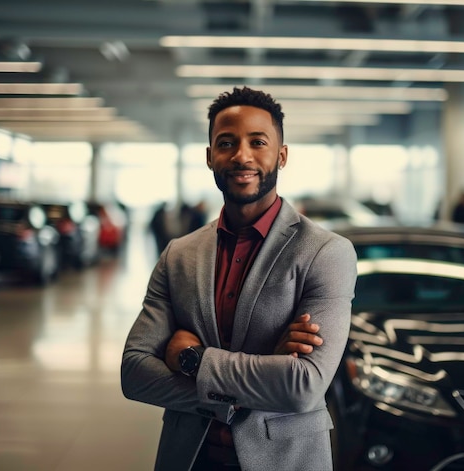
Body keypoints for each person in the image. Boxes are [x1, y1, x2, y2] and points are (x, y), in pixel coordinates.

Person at [121, 86, 358, 471]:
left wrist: (192, 360)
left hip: (283, 460)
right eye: (226, 143)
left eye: (257, 142)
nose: (241, 155)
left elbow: (304, 385)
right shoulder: (179, 254)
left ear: (281, 156)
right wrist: (261, 374)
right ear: (210, 156)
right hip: (190, 459)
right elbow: (134, 373)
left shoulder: (326, 252)